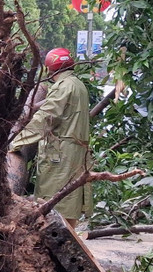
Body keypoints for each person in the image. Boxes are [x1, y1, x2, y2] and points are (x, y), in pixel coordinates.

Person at [9, 48, 92, 232]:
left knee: (53, 202)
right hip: (75, 152)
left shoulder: (63, 87)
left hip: (60, 155)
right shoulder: (78, 85)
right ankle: (72, 240)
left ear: (50, 69)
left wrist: (17, 141)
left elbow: (45, 118)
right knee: (69, 201)